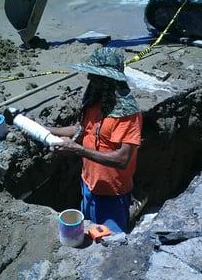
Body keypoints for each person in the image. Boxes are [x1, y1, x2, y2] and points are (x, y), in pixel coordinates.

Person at [47, 47, 142, 233]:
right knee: (89, 232)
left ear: (109, 80)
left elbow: (122, 160)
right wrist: (47, 130)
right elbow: (81, 130)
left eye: (95, 75)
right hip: (88, 187)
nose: (90, 79)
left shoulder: (128, 114)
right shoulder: (94, 102)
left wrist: (77, 149)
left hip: (113, 195)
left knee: (111, 242)